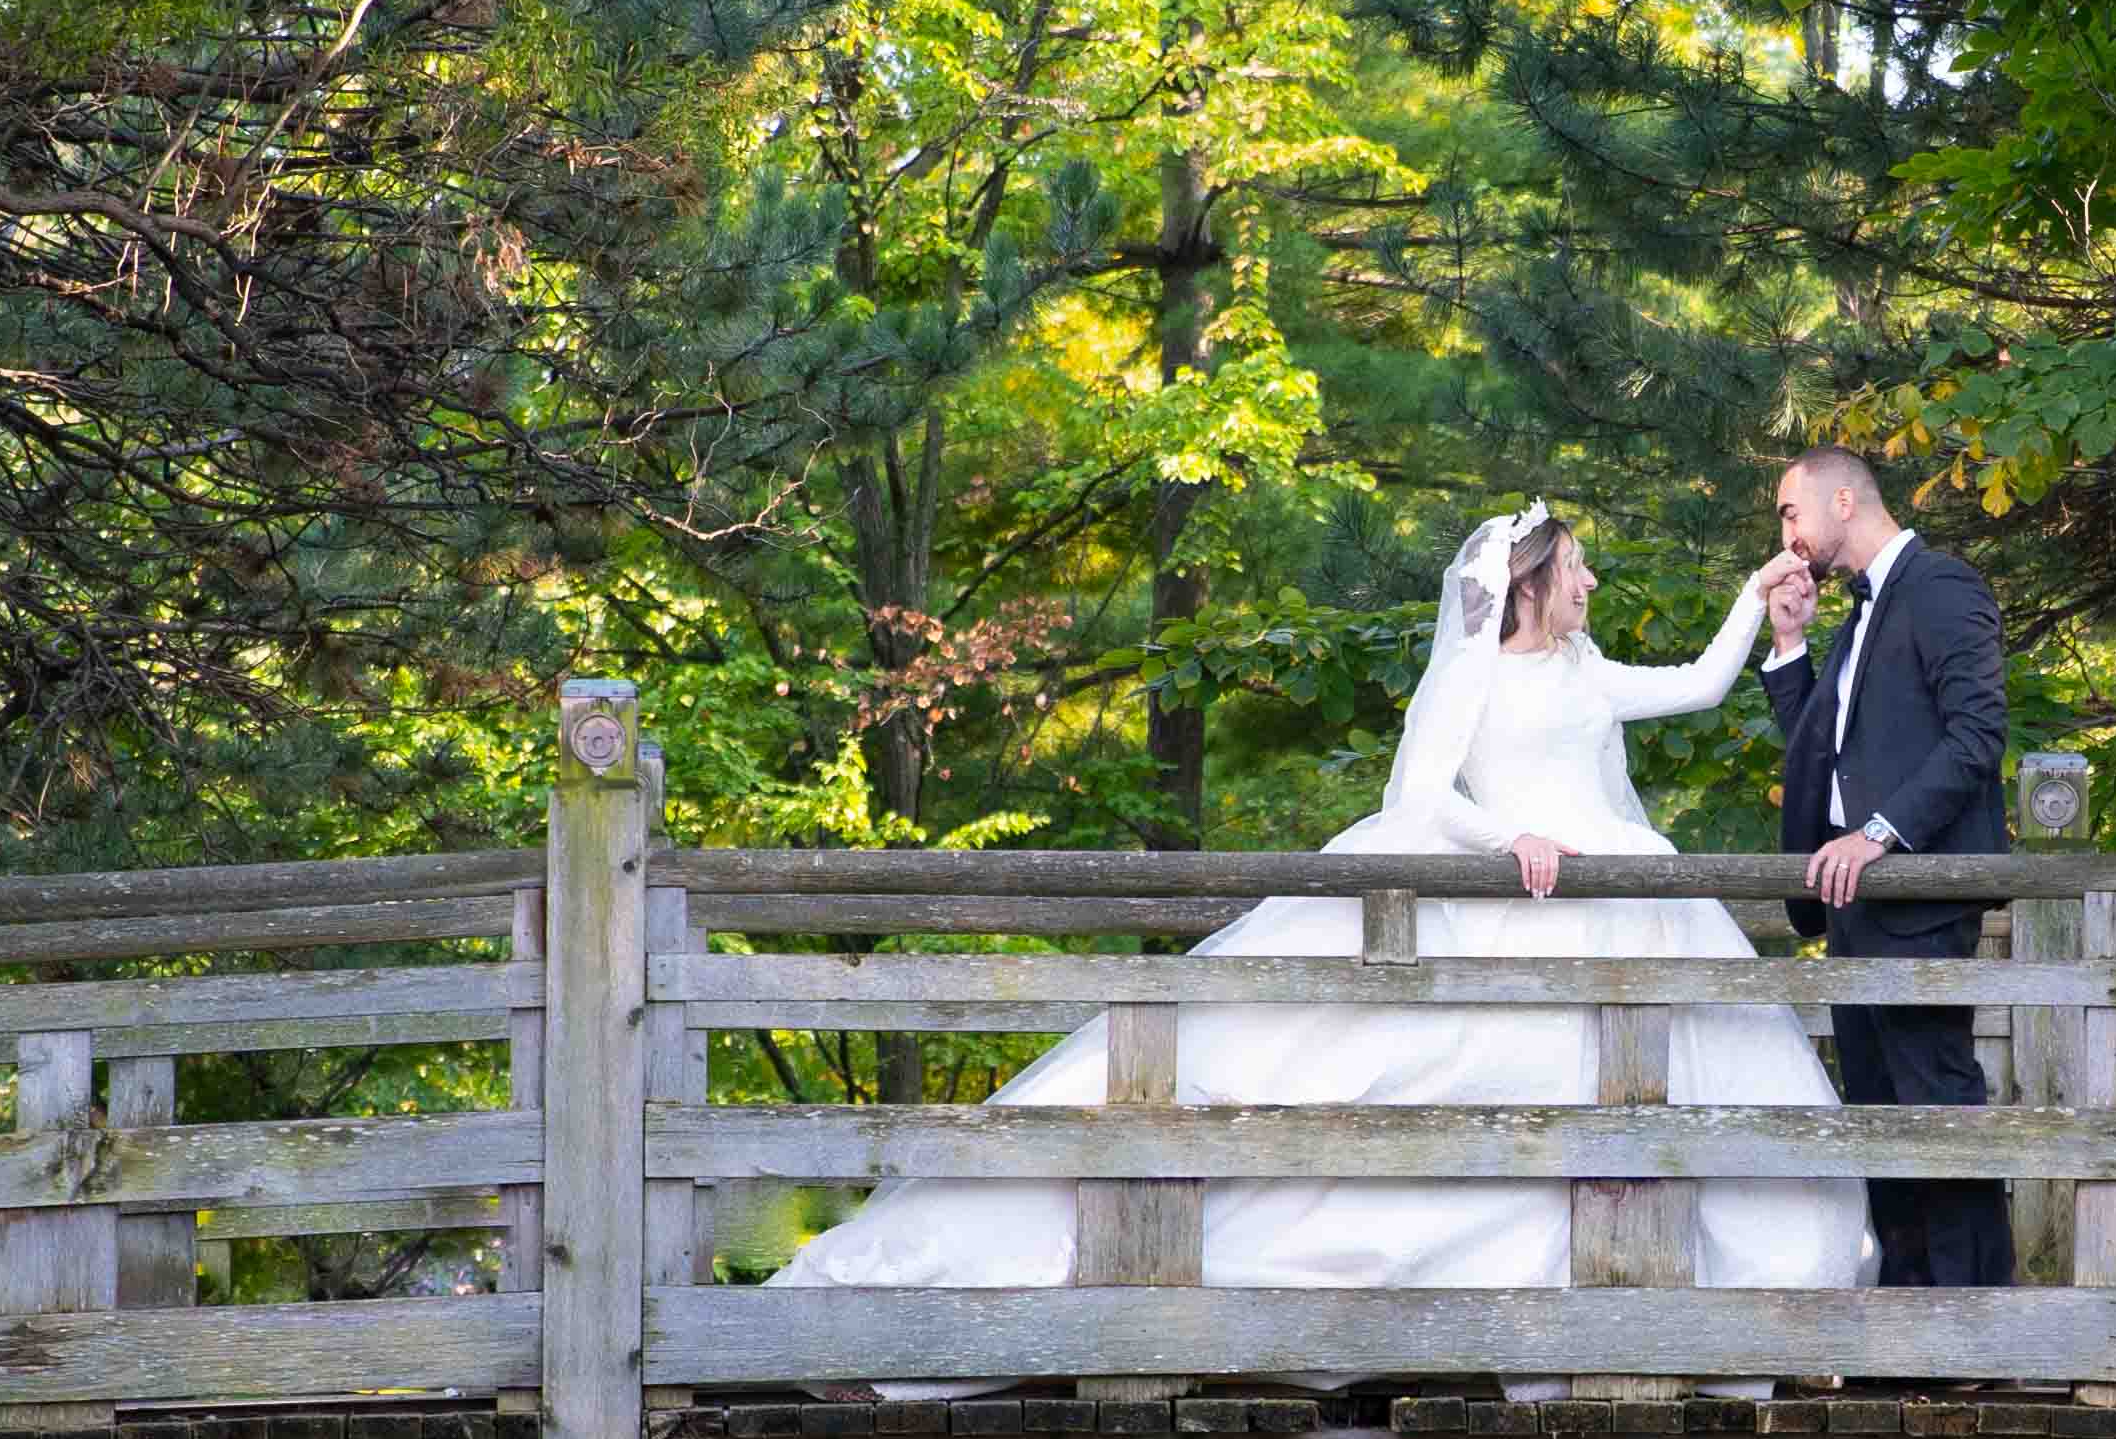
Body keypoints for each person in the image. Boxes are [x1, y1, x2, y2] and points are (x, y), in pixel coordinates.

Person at [751, 508, 1869, 1337]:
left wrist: (1757, 601)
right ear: (1531, 583)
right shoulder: (1474, 678)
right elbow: (1421, 795)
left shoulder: (1584, 671)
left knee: (1600, 1087)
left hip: (1607, 896)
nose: (1590, 581)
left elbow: (1701, 685)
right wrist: (1509, 840)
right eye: (1576, 567)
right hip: (1516, 883)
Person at [1755, 445, 2014, 1287]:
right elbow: (1818, 754)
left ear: (1842, 500)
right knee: (1875, 1115)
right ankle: (1909, 1334)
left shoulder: (1938, 587)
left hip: (1919, 898)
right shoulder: (1858, 617)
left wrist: (1878, 834)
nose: (1786, 536)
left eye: (1791, 513)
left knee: (1937, 1108)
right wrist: (1789, 643)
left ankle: (1978, 1338)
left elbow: (1978, 734)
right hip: (1850, 907)